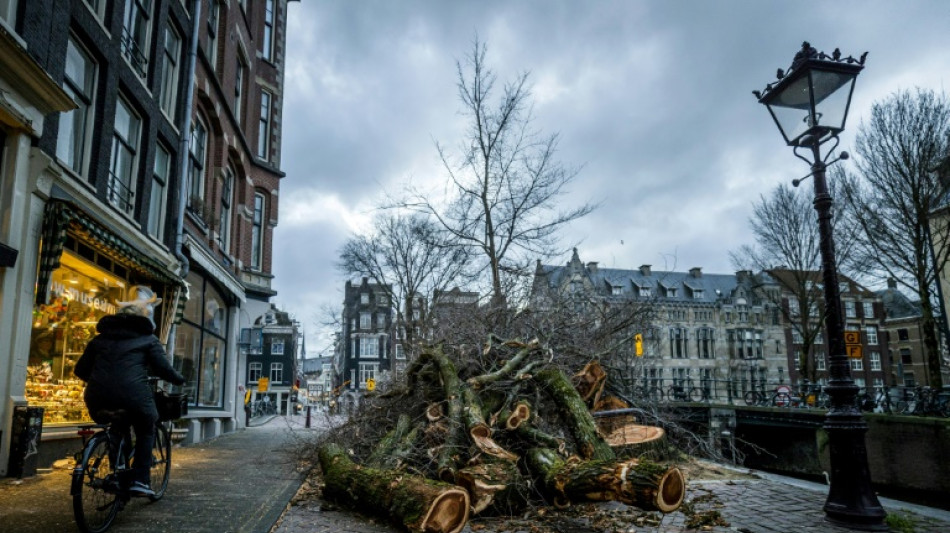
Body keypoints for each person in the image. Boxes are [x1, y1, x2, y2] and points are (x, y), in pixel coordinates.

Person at [74, 286, 185, 497]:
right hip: (133, 394)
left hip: (97, 397)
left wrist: (100, 381)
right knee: (147, 423)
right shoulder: (148, 340)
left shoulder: (99, 339)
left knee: (119, 424)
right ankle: (140, 480)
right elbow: (163, 368)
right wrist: (179, 379)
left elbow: (80, 370)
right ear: (146, 318)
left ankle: (118, 469)